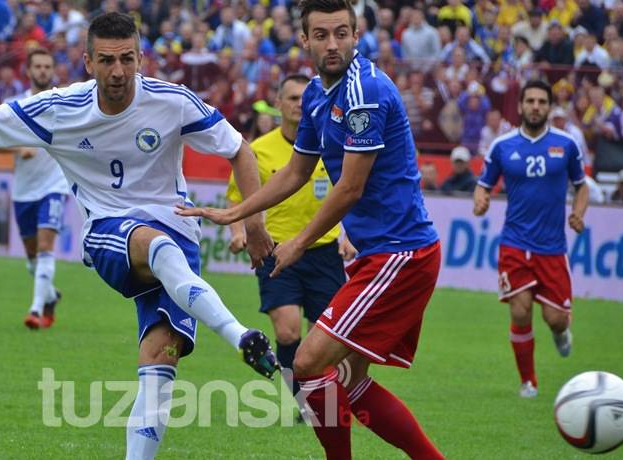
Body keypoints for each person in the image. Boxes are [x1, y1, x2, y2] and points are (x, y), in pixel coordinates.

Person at [0, 13, 279, 460]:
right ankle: (240, 336)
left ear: (141, 58)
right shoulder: (59, 108)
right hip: (110, 234)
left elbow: (239, 150)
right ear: (87, 63)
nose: (118, 71)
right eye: (107, 60)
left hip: (178, 239)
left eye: (127, 59)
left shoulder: (172, 101)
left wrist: (254, 225)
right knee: (155, 244)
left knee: (159, 363)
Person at [181, 1, 444, 458]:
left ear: (356, 35)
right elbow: (296, 172)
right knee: (349, 382)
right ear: (304, 40)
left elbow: (350, 188)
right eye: (321, 35)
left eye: (341, 33)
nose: (332, 44)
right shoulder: (318, 95)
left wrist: (299, 243)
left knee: (305, 363)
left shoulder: (364, 91)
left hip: (400, 254)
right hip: (382, 254)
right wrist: (239, 212)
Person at [224, 74, 358, 399]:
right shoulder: (258, 150)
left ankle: (326, 398)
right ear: (279, 104)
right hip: (276, 250)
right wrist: (239, 230)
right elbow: (236, 196)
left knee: (324, 339)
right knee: (287, 330)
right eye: (293, 98)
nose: (300, 104)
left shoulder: (333, 143)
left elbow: (352, 190)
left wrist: (349, 235)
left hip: (324, 251)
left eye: (304, 98)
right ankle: (301, 399)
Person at [473, 80, 590, 399]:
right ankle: (529, 382)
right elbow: (484, 183)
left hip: (552, 248)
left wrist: (579, 213)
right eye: (530, 101)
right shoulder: (503, 146)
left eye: (542, 101)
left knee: (555, 319)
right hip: (514, 243)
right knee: (520, 311)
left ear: (550, 107)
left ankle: (561, 331)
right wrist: (480, 200)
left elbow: (582, 186)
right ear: (521, 106)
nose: (536, 106)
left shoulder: (566, 145)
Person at [0, 49, 68, 330]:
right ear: (28, 71)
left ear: (53, 71)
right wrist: (20, 148)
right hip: (24, 190)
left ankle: (36, 309)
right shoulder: (14, 105)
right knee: (31, 258)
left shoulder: (63, 105)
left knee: (44, 248)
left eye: (47, 66)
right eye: (37, 66)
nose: (42, 70)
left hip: (55, 186)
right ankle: (50, 295)